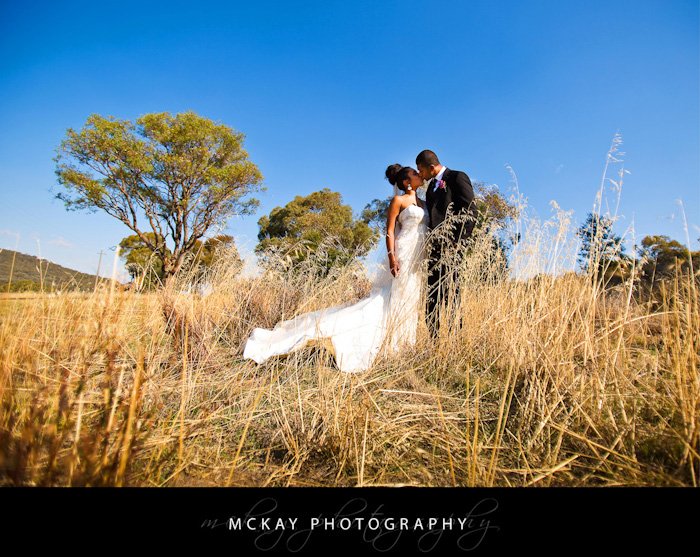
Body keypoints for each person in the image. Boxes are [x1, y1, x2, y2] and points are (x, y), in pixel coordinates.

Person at [242, 164, 429, 373]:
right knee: (395, 296)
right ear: (406, 182)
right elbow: (390, 231)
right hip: (403, 252)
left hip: (418, 255)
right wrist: (392, 257)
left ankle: (405, 344)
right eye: (414, 173)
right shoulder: (399, 200)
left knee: (411, 297)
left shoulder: (423, 202)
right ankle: (391, 344)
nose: (418, 175)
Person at [416, 149, 477, 338]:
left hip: (452, 248)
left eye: (421, 170)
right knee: (432, 297)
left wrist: (458, 244)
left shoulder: (457, 177)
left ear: (432, 167)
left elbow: (470, 212)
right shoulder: (430, 188)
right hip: (434, 250)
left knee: (451, 294)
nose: (420, 175)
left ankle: (453, 341)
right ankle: (433, 340)